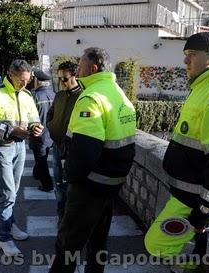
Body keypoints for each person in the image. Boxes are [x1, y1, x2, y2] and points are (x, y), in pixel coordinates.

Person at [144, 32, 209, 271]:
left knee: (157, 244)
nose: (185, 61)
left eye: (192, 55)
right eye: (185, 55)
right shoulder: (203, 88)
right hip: (189, 193)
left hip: (195, 199)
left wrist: (205, 209)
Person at [48, 47, 136, 273]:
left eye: (80, 64)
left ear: (93, 68)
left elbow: (86, 150)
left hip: (90, 184)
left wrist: (70, 177)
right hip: (111, 182)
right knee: (98, 240)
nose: (77, 68)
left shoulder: (91, 97)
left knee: (69, 242)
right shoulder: (116, 91)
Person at [0, 59, 43, 256]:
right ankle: (4, 237)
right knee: (7, 194)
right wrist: (11, 130)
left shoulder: (27, 95)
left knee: (13, 192)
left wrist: (35, 128)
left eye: (27, 80)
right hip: (2, 148)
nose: (24, 84)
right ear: (10, 74)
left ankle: (10, 224)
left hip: (20, 147)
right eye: (21, 80)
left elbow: (34, 118)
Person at [47, 61, 82, 225]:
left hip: (73, 149)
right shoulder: (59, 95)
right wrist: (51, 126)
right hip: (57, 145)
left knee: (72, 186)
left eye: (65, 79)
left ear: (75, 76)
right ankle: (61, 218)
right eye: (59, 79)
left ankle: (70, 220)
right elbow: (51, 114)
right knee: (58, 183)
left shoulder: (84, 97)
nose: (61, 82)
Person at [29, 69, 55, 192]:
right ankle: (37, 173)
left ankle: (47, 185)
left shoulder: (34, 95)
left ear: (37, 81)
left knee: (41, 160)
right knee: (42, 157)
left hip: (38, 134)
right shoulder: (54, 94)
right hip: (50, 134)